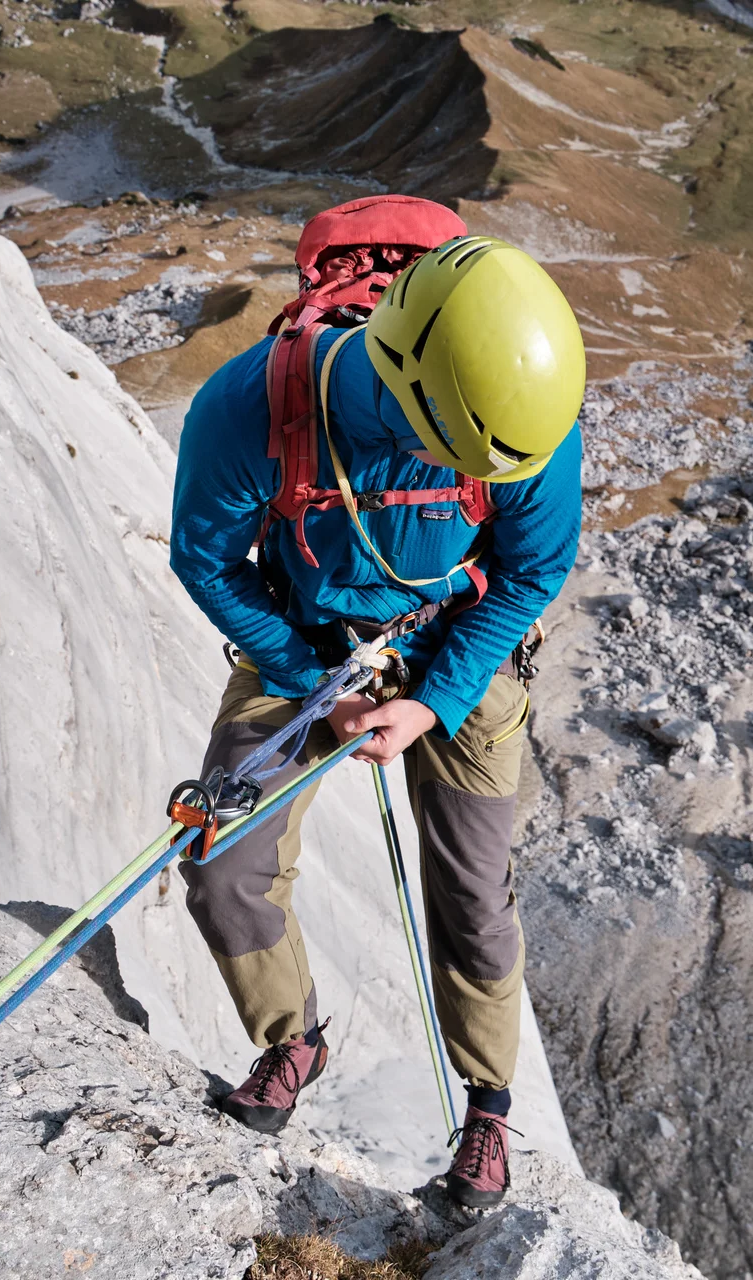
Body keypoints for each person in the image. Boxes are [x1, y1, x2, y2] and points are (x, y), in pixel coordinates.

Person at [168, 209, 584, 1209]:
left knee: (475, 893)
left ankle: (488, 1107)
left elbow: (532, 571)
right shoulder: (252, 409)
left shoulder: (527, 421)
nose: (483, 479)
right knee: (223, 862)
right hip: (308, 639)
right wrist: (311, 668)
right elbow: (206, 558)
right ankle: (293, 1039)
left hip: (458, 650)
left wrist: (432, 702)